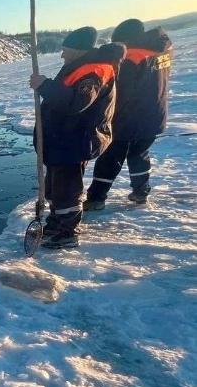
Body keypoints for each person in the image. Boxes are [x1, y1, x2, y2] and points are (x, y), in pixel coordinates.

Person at [29, 26, 125, 249]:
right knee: (56, 186)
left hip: (75, 140)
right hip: (63, 139)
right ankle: (56, 223)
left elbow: (76, 102)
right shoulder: (80, 66)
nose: (62, 54)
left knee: (66, 189)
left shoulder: (94, 71)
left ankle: (67, 233)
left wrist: (45, 85)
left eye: (66, 49)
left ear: (78, 50)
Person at [83, 19, 173, 209]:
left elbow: (121, 90)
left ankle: (96, 198)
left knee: (110, 156)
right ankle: (141, 192)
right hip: (155, 114)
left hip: (129, 117)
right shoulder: (162, 49)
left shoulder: (131, 57)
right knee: (139, 153)